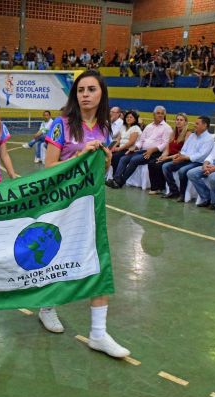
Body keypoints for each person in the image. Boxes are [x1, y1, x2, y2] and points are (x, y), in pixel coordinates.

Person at [43, 70, 129, 358]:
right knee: (56, 258)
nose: (85, 94)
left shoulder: (105, 129)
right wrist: (80, 156)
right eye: (81, 90)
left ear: (101, 93)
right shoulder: (61, 125)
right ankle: (46, 306)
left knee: (99, 262)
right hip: (61, 205)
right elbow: (49, 170)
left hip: (90, 205)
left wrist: (105, 162)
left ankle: (98, 333)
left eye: (91, 89)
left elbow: (101, 172)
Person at [107, 106, 172, 189]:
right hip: (143, 150)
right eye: (158, 113)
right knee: (124, 158)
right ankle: (115, 179)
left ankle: (120, 182)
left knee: (134, 160)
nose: (160, 115)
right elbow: (141, 141)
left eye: (162, 114)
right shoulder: (149, 126)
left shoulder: (167, 128)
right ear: (154, 114)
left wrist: (152, 150)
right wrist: (135, 147)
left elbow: (165, 144)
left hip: (155, 152)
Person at [161, 115, 215, 201]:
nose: (194, 125)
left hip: (197, 162)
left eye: (197, 123)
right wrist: (180, 157)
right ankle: (174, 190)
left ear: (205, 126)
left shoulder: (209, 139)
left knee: (182, 171)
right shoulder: (192, 136)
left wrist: (185, 157)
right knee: (165, 166)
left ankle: (182, 194)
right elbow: (184, 149)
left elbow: (202, 155)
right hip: (185, 159)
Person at [147, 113, 189, 195]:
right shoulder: (172, 134)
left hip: (178, 158)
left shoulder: (188, 134)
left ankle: (162, 187)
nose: (179, 122)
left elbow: (183, 152)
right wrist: (162, 156)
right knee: (152, 162)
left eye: (181, 120)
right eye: (177, 120)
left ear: (185, 122)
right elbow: (167, 149)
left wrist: (166, 158)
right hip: (169, 156)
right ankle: (155, 187)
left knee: (160, 165)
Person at [109, 110, 142, 175]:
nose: (128, 118)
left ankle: (116, 177)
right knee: (108, 153)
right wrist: (112, 147)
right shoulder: (123, 127)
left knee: (115, 156)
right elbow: (118, 139)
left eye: (131, 117)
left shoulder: (135, 128)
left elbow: (131, 142)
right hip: (121, 148)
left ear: (135, 119)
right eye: (127, 117)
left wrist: (119, 149)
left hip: (129, 150)